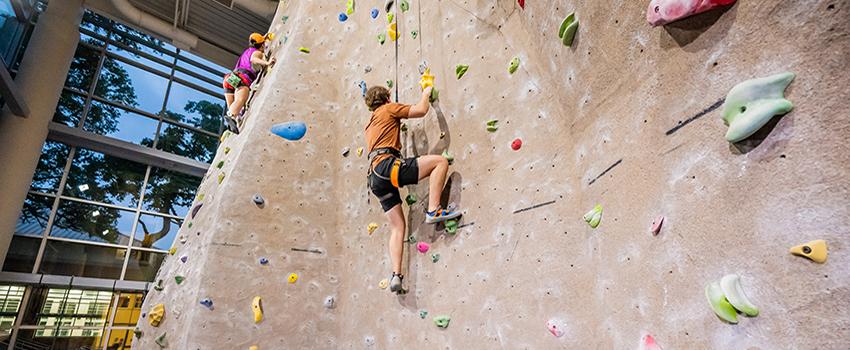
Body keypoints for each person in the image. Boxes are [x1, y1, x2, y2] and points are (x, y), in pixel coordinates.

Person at [364, 85, 462, 293]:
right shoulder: (388, 109)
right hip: (387, 166)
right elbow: (420, 110)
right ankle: (434, 210)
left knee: (398, 227)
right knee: (439, 163)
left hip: (375, 177)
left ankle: (395, 275)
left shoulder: (370, 124)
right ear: (387, 97)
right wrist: (426, 93)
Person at [222, 33, 275, 134]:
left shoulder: (247, 51)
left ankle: (236, 118)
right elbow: (253, 59)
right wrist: (267, 63)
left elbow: (256, 41)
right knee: (241, 99)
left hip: (229, 78)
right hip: (242, 78)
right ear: (262, 45)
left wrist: (264, 38)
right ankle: (231, 116)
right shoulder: (257, 52)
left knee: (235, 105)